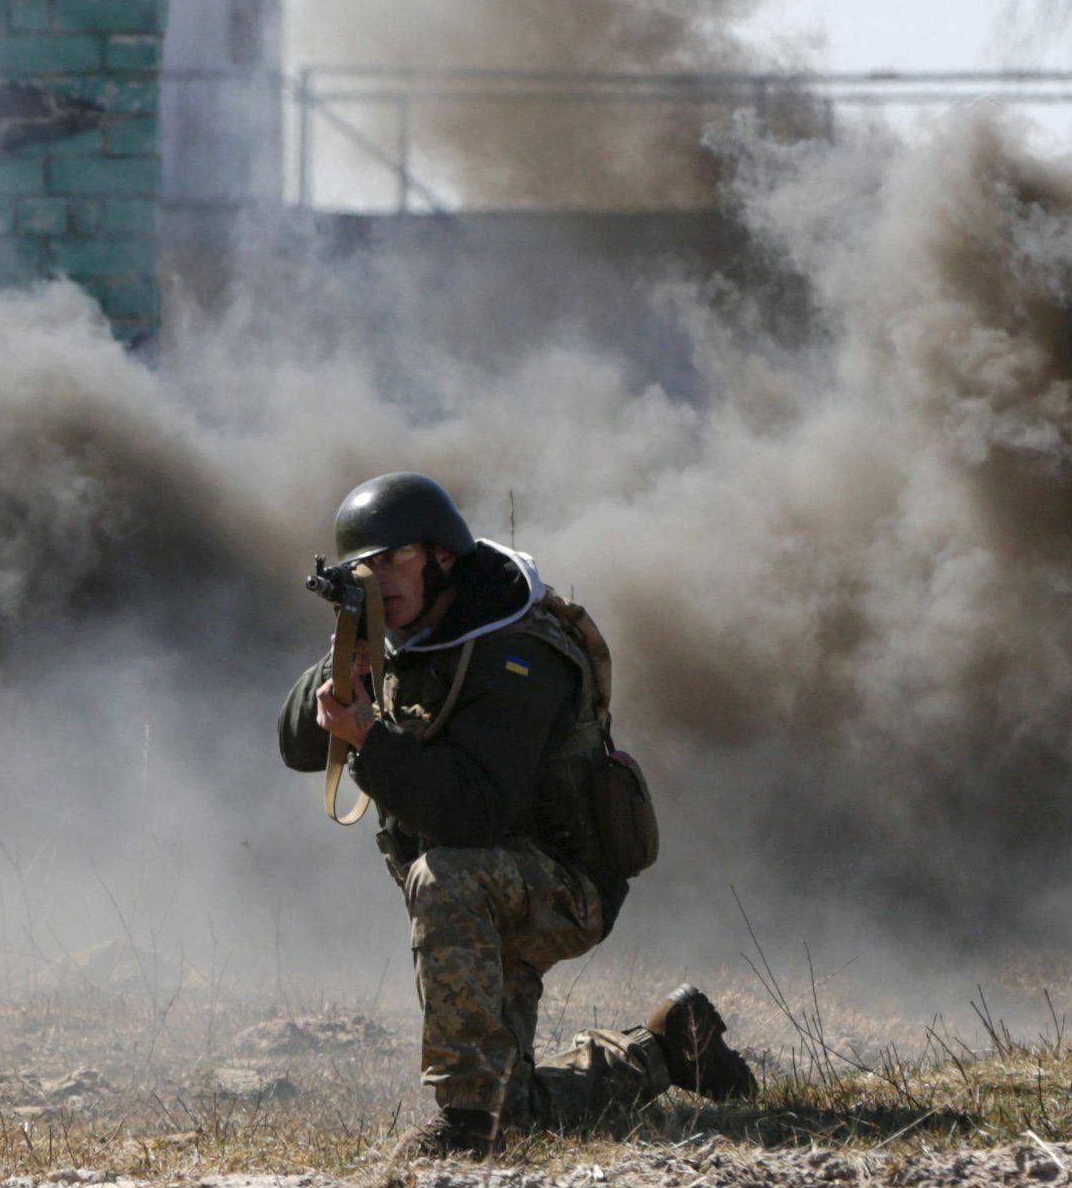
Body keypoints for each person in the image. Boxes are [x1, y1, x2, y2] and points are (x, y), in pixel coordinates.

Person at [277, 472, 757, 1155]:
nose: (377, 578)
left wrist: (370, 739)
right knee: (522, 1106)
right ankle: (670, 1048)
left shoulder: (514, 651)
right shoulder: (399, 635)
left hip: (561, 883)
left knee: (444, 878)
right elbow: (295, 743)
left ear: (441, 555)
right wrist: (344, 656)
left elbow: (474, 812)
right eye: (363, 567)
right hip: (486, 886)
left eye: (393, 559)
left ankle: (466, 1125)